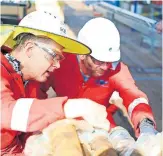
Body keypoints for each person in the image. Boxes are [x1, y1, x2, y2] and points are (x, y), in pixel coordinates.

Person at [0, 11, 110, 155]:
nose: (57, 65)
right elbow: (5, 113)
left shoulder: (29, 83)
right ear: (29, 49)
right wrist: (69, 107)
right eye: (54, 56)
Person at [40, 17, 158, 137]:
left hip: (100, 124)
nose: (106, 67)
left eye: (110, 61)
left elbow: (133, 96)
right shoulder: (61, 62)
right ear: (82, 54)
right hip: (63, 121)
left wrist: (145, 123)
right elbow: (36, 89)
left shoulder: (115, 69)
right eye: (100, 61)